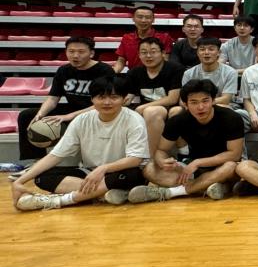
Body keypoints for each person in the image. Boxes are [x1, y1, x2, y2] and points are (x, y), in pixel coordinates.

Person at [11, 77, 148, 211]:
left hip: (120, 172)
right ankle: (105, 193)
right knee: (42, 177)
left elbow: (135, 159)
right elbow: (55, 156)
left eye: (114, 97)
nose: (107, 102)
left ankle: (60, 200)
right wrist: (19, 181)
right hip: (90, 172)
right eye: (101, 97)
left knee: (134, 175)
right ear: (92, 99)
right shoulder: (81, 120)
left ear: (124, 99)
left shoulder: (134, 120)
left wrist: (104, 168)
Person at [130, 79, 244, 203]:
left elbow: (234, 155)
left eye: (205, 101)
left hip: (223, 167)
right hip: (194, 172)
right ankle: (207, 187)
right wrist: (162, 161)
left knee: (231, 167)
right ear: (185, 104)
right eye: (194, 102)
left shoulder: (231, 118)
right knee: (149, 168)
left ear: (213, 100)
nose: (201, 107)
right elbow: (161, 150)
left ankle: (173, 192)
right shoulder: (177, 121)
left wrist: (198, 162)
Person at [16, 36, 114, 162]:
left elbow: (104, 103)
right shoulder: (64, 70)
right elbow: (53, 98)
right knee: (27, 115)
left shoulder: (104, 71)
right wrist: (40, 114)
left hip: (97, 112)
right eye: (71, 51)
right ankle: (36, 161)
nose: (75, 56)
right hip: (73, 109)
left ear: (91, 53)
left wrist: (68, 116)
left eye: (81, 52)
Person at [124, 36, 184, 156]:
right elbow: (129, 96)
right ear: (139, 55)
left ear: (163, 53)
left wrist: (143, 107)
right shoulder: (134, 72)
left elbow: (172, 99)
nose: (148, 56)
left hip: (171, 108)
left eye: (153, 52)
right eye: (144, 52)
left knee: (153, 111)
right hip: (147, 110)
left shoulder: (175, 69)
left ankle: (153, 157)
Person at [181, 36, 249, 129]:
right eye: (202, 49)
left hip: (224, 106)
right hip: (197, 107)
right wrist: (198, 105)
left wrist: (203, 104)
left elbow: (226, 99)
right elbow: (183, 99)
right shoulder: (189, 73)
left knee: (223, 109)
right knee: (175, 111)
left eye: (211, 49)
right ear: (197, 53)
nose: (206, 52)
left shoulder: (230, 72)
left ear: (219, 53)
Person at [113, 5, 174, 73]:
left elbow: (165, 60)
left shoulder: (164, 37)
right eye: (140, 17)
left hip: (157, 75)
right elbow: (121, 60)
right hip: (133, 75)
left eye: (147, 17)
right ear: (133, 18)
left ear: (153, 20)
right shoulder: (126, 38)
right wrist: (113, 72)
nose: (143, 20)